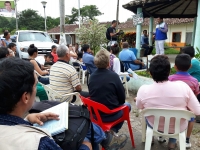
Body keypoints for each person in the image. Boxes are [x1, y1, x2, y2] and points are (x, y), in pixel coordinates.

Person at [0, 57, 128, 150]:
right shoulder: (40, 143)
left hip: (59, 97)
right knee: (85, 132)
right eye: (35, 85)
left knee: (79, 121)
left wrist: (27, 119)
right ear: (26, 97)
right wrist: (85, 146)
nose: (36, 89)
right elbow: (78, 88)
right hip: (70, 98)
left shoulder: (91, 76)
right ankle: (106, 138)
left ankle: (107, 138)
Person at [135, 55, 200, 149]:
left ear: (150, 73)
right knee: (178, 117)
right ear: (169, 71)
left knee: (146, 115)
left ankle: (151, 138)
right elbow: (197, 111)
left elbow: (139, 106)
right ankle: (172, 143)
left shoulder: (143, 90)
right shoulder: (183, 87)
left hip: (155, 126)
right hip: (178, 127)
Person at [88, 49, 131, 136]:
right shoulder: (114, 76)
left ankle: (107, 132)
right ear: (108, 63)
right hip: (110, 114)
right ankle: (113, 131)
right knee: (128, 105)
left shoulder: (91, 77)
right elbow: (122, 99)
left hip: (96, 115)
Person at [169, 54, 200, 148]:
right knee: (192, 118)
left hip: (172, 108)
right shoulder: (194, 81)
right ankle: (187, 140)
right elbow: (195, 96)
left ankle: (164, 136)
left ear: (175, 66)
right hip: (187, 109)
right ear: (190, 66)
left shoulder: (170, 79)